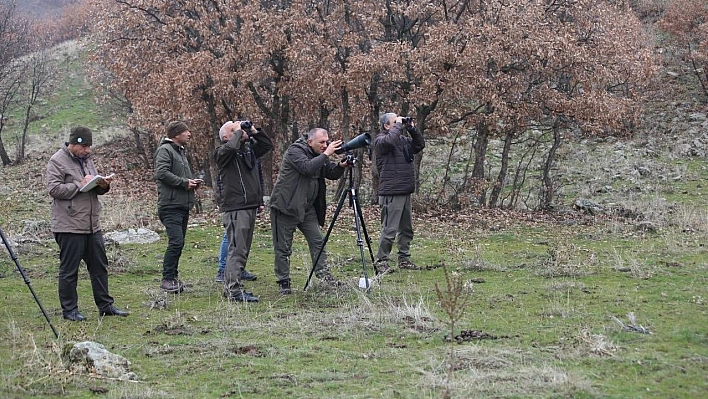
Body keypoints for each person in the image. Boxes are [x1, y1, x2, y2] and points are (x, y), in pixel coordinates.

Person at [46, 126, 129, 321]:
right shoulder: (57, 161)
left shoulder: (87, 160)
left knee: (99, 266)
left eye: (90, 147)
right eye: (85, 147)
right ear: (74, 144)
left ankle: (106, 306)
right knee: (69, 270)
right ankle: (70, 310)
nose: (88, 150)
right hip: (69, 225)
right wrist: (79, 184)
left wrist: (103, 185)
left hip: (92, 224)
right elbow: (54, 189)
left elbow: (92, 188)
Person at [269, 128, 348, 294]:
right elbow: (307, 168)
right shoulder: (294, 151)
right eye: (322, 142)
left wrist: (341, 166)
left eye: (326, 142)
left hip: (307, 208)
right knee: (283, 247)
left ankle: (324, 275)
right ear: (309, 141)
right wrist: (326, 154)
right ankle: (283, 281)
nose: (325, 145)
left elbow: (330, 173)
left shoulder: (318, 153)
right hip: (286, 206)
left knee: (317, 241)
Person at [213, 120, 273, 302]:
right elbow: (230, 148)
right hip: (235, 207)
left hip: (248, 206)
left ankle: (234, 286)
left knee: (242, 249)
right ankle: (233, 290)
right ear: (226, 136)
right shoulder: (222, 153)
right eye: (234, 130)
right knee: (237, 249)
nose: (240, 131)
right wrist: (238, 132)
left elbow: (266, 145)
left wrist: (254, 131)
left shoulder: (247, 151)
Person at [373, 113, 426, 273]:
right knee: (390, 229)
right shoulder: (381, 141)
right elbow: (390, 141)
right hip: (391, 192)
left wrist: (412, 128)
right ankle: (381, 261)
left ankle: (404, 258)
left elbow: (419, 145)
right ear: (386, 126)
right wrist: (398, 125)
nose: (399, 124)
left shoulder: (402, 141)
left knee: (406, 228)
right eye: (394, 122)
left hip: (405, 190)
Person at [154, 120, 201, 293]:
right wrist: (184, 183)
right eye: (185, 131)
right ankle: (167, 279)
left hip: (181, 205)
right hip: (170, 205)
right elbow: (161, 173)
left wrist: (192, 183)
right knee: (176, 242)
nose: (189, 134)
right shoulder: (165, 150)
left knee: (178, 243)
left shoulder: (179, 152)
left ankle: (173, 278)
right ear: (175, 135)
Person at [215, 159, 263, 284]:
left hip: (249, 202)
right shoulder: (228, 153)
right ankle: (222, 270)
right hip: (233, 204)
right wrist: (223, 201)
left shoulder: (250, 151)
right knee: (231, 238)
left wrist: (259, 200)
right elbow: (221, 181)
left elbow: (257, 177)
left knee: (241, 241)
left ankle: (238, 270)